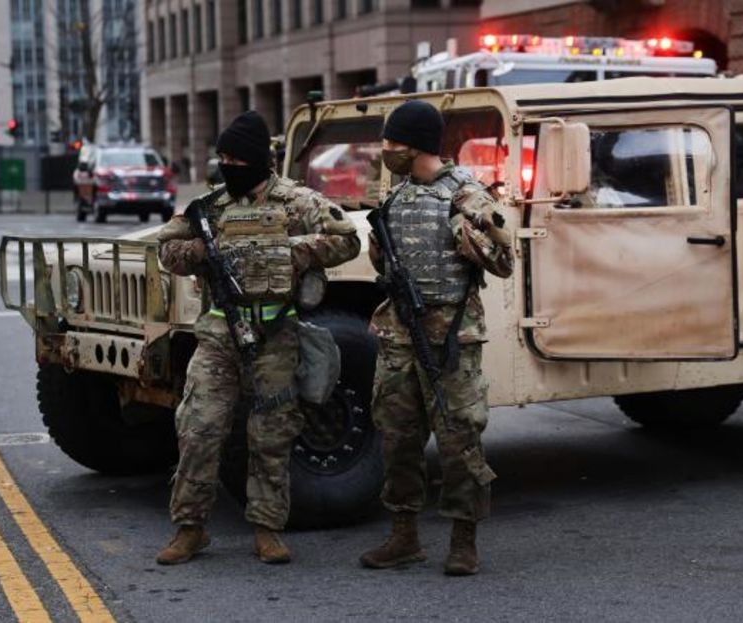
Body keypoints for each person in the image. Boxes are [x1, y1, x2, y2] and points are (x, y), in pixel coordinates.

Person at [155, 111, 360, 565]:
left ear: (254, 160)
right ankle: (190, 527)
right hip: (218, 337)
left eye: (235, 158)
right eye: (222, 157)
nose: (227, 165)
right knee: (199, 427)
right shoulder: (209, 207)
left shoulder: (294, 201)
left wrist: (293, 252)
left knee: (271, 434)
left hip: (274, 336)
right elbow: (167, 248)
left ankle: (267, 528)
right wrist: (205, 255)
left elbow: (347, 239)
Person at [359, 100, 514, 576]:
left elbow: (505, 260)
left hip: (451, 337)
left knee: (459, 438)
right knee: (398, 439)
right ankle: (404, 536)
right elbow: (383, 266)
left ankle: (463, 540)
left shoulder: (466, 194)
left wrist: (469, 239)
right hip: (400, 334)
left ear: (417, 144)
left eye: (392, 144)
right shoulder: (396, 197)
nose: (385, 151)